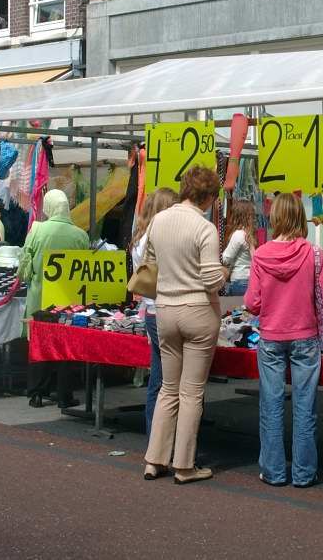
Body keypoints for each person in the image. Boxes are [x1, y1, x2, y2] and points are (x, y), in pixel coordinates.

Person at [143, 166, 227, 485]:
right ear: (208, 196)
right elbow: (211, 279)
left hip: (165, 310)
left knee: (168, 388)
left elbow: (150, 265)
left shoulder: (158, 221)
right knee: (191, 392)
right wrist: (224, 273)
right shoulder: (205, 228)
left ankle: (154, 460)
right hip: (198, 311)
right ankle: (184, 465)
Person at [245, 193, 323, 488]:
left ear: (276, 218)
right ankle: (304, 473)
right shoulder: (314, 254)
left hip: (271, 336)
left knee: (271, 405)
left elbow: (252, 303)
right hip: (305, 336)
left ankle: (274, 471)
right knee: (305, 407)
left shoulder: (261, 254)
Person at [20, 189, 90, 408]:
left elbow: (24, 268)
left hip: (40, 299)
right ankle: (64, 396)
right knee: (65, 346)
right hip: (68, 301)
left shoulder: (37, 230)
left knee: (40, 344)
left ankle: (37, 393)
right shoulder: (81, 235)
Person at [130, 187, 178, 442]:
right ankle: (166, 439)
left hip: (150, 310)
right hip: (165, 308)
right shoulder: (158, 237)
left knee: (157, 379)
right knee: (171, 382)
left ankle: (155, 438)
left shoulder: (140, 236)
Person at [222, 199, 255, 296]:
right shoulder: (248, 234)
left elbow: (226, 259)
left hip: (239, 280)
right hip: (249, 279)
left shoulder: (238, 234)